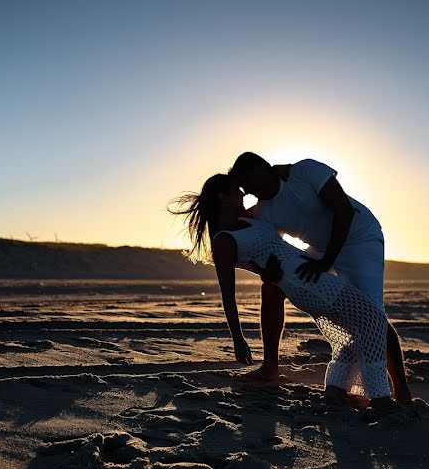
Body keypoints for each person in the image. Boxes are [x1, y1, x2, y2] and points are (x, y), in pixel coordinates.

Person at [170, 173, 400, 414]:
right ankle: (380, 399)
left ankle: (335, 388)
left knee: (356, 327)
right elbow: (228, 295)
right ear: (223, 199)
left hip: (308, 271)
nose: (243, 194)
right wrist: (238, 339)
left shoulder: (248, 220)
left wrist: (262, 269)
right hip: (300, 282)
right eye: (236, 191)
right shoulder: (223, 241)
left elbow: (267, 237)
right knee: (372, 319)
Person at [228, 152, 412, 404]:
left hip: (359, 238)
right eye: (243, 187)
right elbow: (259, 243)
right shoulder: (263, 213)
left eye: (248, 181)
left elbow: (344, 211)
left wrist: (325, 263)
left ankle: (401, 390)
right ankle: (270, 367)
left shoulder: (305, 171)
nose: (249, 190)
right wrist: (266, 272)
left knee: (372, 315)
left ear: (263, 168)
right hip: (319, 248)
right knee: (271, 287)